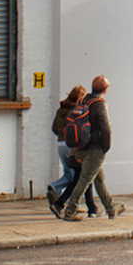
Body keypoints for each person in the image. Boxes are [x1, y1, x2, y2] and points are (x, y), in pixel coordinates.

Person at [60, 74, 123, 221]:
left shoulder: (83, 101)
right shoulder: (100, 104)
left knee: (98, 179)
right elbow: (106, 128)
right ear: (105, 89)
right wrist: (105, 147)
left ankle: (111, 208)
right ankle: (70, 211)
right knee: (85, 179)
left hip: (80, 146)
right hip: (95, 149)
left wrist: (75, 150)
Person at [46, 85, 100, 218]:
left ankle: (88, 207)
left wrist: (62, 135)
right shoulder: (78, 110)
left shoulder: (61, 109)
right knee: (80, 177)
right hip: (73, 145)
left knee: (73, 175)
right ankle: (63, 201)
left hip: (60, 144)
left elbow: (54, 128)